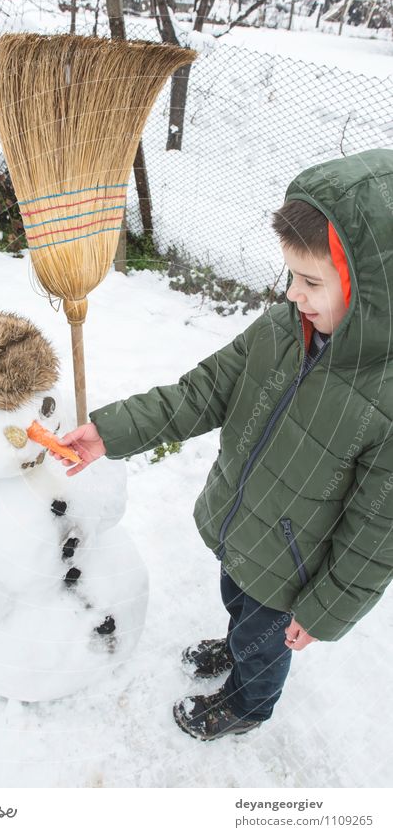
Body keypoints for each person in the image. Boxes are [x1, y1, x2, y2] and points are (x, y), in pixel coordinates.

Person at [49, 149, 393, 741]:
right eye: (290, 276)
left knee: (264, 639)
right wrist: (113, 432)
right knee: (238, 600)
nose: (292, 295)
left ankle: (248, 703)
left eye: (311, 281)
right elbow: (204, 390)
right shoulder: (284, 329)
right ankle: (240, 643)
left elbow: (377, 533)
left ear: (374, 291)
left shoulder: (383, 401)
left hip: (293, 570)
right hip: (244, 529)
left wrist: (324, 611)